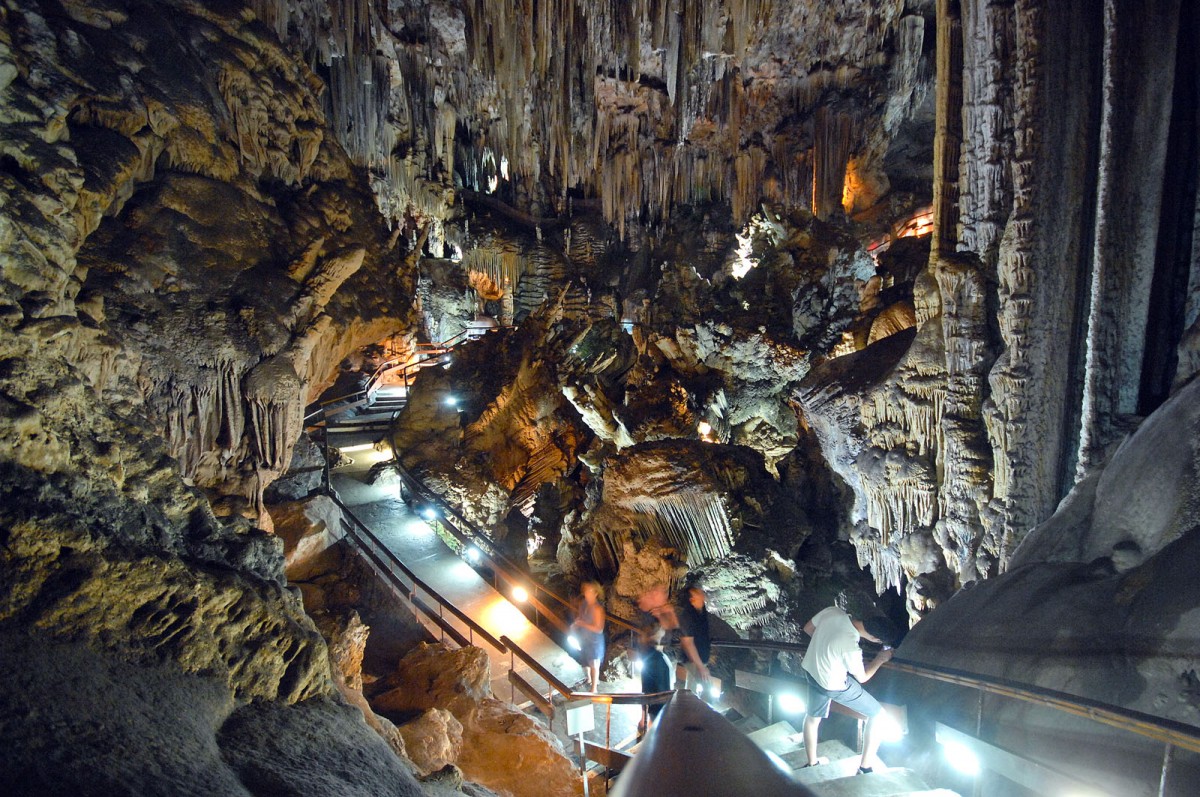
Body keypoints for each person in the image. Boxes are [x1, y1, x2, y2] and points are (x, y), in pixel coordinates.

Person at [800, 606, 899, 774]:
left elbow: (808, 628)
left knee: (812, 718)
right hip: (833, 685)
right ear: (875, 639)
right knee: (878, 715)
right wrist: (881, 658)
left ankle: (812, 763)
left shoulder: (833, 611)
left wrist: (826, 646)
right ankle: (865, 767)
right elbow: (863, 677)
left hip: (811, 671)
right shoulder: (850, 646)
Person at [636, 623, 672, 738]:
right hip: (658, 704)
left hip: (655, 704)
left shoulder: (648, 655)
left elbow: (646, 687)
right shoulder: (656, 658)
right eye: (661, 630)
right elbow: (656, 686)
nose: (664, 631)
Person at [675, 586, 712, 693]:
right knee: (694, 692)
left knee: (694, 691)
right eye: (698, 593)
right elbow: (688, 643)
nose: (702, 593)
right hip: (692, 661)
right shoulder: (688, 616)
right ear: (692, 599)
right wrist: (700, 666)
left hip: (699, 660)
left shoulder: (701, 611)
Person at [571, 581, 606, 691]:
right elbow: (581, 617)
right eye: (586, 591)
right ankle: (589, 679)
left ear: (596, 593)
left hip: (594, 641)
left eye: (590, 591)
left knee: (594, 664)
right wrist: (576, 624)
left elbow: (599, 629)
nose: (587, 593)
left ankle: (594, 688)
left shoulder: (597, 609)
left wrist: (583, 624)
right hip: (584, 638)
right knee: (585, 661)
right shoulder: (584, 604)